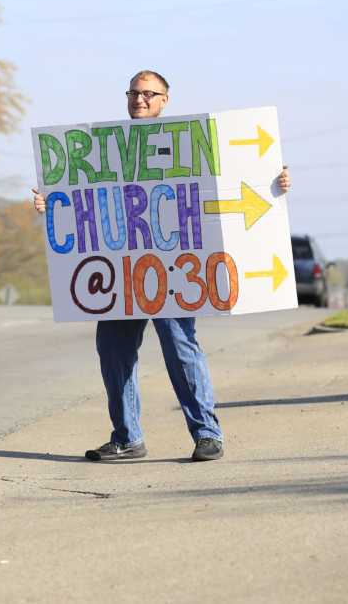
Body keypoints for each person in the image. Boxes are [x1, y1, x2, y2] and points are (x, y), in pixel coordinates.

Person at [32, 70, 291, 462]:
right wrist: (50, 204)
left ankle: (207, 434)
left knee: (180, 347)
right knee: (113, 351)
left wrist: (275, 182)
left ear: (166, 99)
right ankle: (127, 437)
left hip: (172, 269)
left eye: (149, 94)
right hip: (123, 273)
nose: (140, 99)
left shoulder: (186, 143)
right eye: (134, 93)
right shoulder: (109, 149)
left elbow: (236, 179)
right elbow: (85, 204)